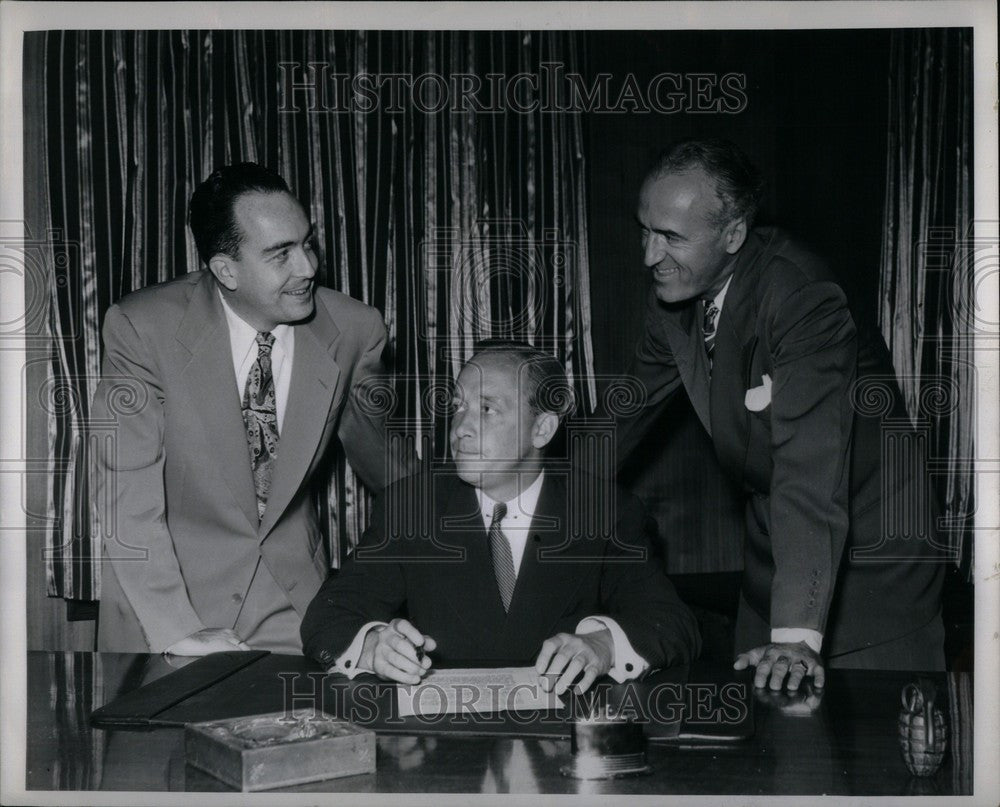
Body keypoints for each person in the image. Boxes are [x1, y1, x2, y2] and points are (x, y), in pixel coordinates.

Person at [618, 138, 947, 691]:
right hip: (774, 571)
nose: (649, 255)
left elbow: (809, 468)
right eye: (645, 230)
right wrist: (529, 488)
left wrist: (795, 636)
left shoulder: (802, 296)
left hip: (870, 578)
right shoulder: (673, 296)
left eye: (671, 237)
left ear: (733, 235)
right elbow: (621, 420)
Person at [92, 162, 411, 655]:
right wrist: (177, 630)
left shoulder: (355, 330)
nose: (307, 267)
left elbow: (386, 467)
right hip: (167, 609)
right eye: (280, 254)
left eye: (306, 243)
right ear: (226, 269)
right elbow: (125, 495)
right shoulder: (140, 329)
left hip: (297, 611)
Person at [301, 342, 700, 695]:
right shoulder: (411, 507)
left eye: (488, 409)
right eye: (458, 407)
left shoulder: (604, 510)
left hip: (562, 744)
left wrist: (604, 645)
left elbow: (672, 623)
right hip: (447, 747)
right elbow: (328, 615)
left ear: (542, 429)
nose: (461, 428)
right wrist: (372, 646)